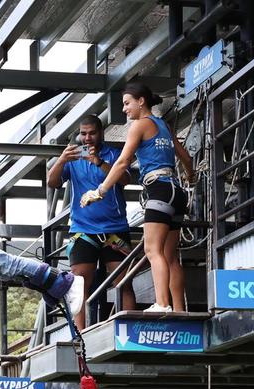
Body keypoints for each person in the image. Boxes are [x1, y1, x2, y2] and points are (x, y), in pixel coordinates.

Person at [80, 79, 194, 313]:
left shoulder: (139, 125)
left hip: (158, 190)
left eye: (126, 103)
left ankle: (162, 304)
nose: (124, 109)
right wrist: (191, 177)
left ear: (141, 102)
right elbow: (187, 159)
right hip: (176, 191)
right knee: (170, 257)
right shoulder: (163, 125)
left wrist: (99, 191)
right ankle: (180, 309)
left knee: (153, 250)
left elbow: (122, 162)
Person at [47, 114, 136, 329]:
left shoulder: (114, 154)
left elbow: (125, 180)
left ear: (101, 132)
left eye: (92, 133)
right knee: (79, 285)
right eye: (83, 133)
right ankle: (78, 335)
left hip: (115, 230)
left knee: (123, 282)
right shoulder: (74, 157)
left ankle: (132, 328)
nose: (87, 138)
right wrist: (61, 160)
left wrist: (99, 162)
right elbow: (52, 182)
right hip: (83, 231)